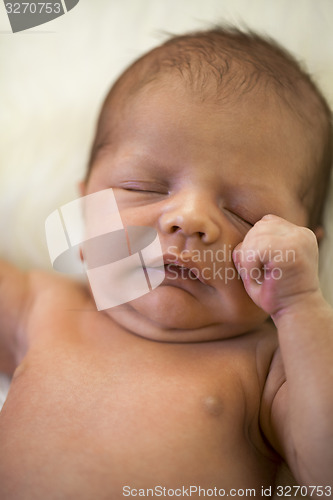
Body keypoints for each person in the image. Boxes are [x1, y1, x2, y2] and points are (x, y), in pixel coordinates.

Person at [0, 27, 332, 499]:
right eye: (143, 186)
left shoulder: (268, 369)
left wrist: (301, 306)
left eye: (244, 213)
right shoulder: (41, 305)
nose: (190, 219)